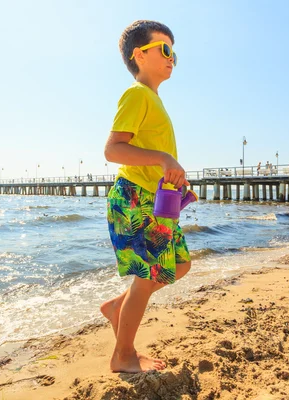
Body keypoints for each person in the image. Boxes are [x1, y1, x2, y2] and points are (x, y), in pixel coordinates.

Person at [101, 20, 190, 374]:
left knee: (179, 265)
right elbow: (113, 149)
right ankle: (123, 355)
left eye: (174, 53)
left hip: (157, 200)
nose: (172, 58)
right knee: (147, 274)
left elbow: (155, 156)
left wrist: (176, 183)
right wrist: (163, 159)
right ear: (139, 55)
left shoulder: (154, 100)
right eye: (164, 49)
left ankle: (117, 309)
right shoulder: (136, 94)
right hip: (134, 198)